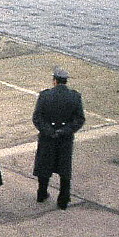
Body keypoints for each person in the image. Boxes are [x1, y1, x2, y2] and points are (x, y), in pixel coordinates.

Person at [33, 67, 85, 209]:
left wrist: (49, 131)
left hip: (47, 137)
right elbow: (79, 119)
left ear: (54, 81)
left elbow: (37, 118)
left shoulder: (45, 95)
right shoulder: (75, 97)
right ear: (65, 81)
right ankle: (63, 199)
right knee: (64, 169)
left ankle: (42, 193)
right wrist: (64, 131)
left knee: (44, 166)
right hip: (65, 139)